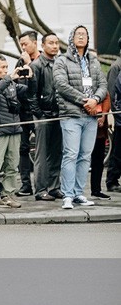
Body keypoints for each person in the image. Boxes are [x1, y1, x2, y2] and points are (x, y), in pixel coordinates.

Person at [54, 25, 107, 209]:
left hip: (91, 116)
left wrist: (96, 99)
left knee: (85, 156)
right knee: (71, 154)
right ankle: (67, 195)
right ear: (71, 37)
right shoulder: (62, 60)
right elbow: (61, 84)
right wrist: (85, 100)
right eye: (78, 34)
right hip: (71, 114)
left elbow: (102, 83)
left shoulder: (93, 60)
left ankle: (78, 193)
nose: (82, 37)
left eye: (84, 34)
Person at [0, 55, 35, 210]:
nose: (5, 70)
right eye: (2, 67)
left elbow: (29, 91)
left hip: (15, 129)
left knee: (12, 166)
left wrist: (31, 77)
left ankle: (7, 196)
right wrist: (9, 78)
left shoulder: (12, 84)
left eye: (6, 67)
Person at [27, 32, 63, 202]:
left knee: (57, 153)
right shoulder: (36, 65)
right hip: (42, 115)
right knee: (41, 154)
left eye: (56, 43)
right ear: (43, 45)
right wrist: (40, 115)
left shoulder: (59, 63)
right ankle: (40, 189)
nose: (54, 46)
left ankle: (54, 187)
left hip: (58, 114)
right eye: (51, 43)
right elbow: (31, 94)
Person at [15, 30, 41, 196]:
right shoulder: (20, 61)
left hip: (39, 110)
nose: (23, 48)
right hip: (23, 110)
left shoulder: (43, 61)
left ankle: (42, 184)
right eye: (21, 45)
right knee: (23, 148)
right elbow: (18, 84)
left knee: (41, 148)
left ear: (35, 43)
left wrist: (29, 65)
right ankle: (26, 185)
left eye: (25, 44)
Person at [105, 38, 121, 193]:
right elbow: (111, 92)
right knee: (117, 150)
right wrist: (116, 114)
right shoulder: (117, 66)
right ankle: (112, 180)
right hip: (120, 117)